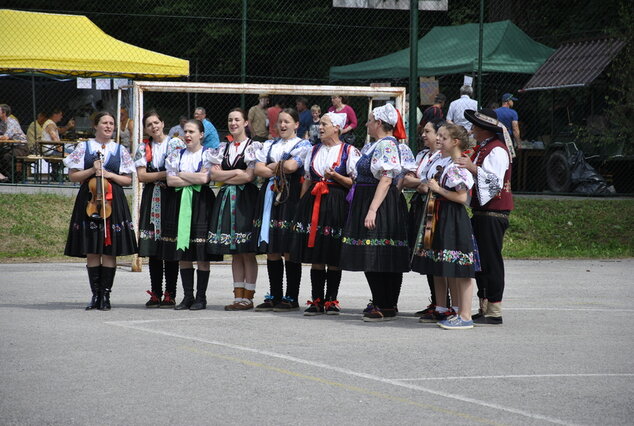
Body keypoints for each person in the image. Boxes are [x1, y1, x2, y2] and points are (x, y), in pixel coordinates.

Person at [339, 103, 409, 322]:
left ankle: (383, 302)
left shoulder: (386, 145)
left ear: (379, 123)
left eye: (369, 120)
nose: (367, 123)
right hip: (370, 199)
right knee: (373, 251)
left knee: (377, 251)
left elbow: (387, 178)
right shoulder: (375, 145)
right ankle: (384, 301)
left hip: (377, 201)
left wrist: (372, 209)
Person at [63, 111, 138, 311]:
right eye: (104, 123)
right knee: (92, 249)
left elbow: (127, 180)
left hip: (114, 203)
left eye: (111, 123)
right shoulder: (84, 147)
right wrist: (92, 170)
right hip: (89, 201)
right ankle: (95, 295)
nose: (108, 126)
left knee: (109, 249)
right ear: (95, 125)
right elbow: (73, 176)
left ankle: (106, 295)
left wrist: (108, 174)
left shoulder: (120, 149)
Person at [288, 112, 360, 315]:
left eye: (324, 124)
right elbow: (308, 180)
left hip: (337, 202)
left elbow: (354, 183)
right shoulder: (313, 150)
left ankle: (332, 299)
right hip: (315, 202)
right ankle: (317, 299)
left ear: (336, 128)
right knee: (316, 252)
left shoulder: (349, 151)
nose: (320, 128)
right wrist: (301, 208)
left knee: (333, 252)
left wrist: (336, 176)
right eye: (320, 125)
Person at [411, 123, 477, 329]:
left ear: (455, 142)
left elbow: (462, 197)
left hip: (454, 217)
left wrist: (438, 189)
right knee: (450, 265)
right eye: (437, 135)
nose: (438, 139)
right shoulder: (445, 162)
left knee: (461, 267)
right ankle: (456, 311)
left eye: (443, 137)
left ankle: (465, 316)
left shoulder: (458, 165)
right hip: (443, 216)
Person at [455, 109, 514, 325]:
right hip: (481, 212)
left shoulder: (497, 150)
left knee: (491, 261)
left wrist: (472, 168)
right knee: (481, 261)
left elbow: (495, 182)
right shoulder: (483, 148)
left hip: (493, 213)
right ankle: (484, 305)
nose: (471, 131)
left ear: (484, 129)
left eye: (474, 128)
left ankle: (495, 310)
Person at [252, 108, 311, 312]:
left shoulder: (303, 145)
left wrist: (271, 166)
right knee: (272, 248)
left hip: (290, 196)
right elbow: (257, 169)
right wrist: (278, 166)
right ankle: (274, 294)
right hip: (270, 194)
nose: (282, 125)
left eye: (287, 121)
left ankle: (291, 296)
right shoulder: (269, 144)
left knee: (288, 247)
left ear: (296, 124)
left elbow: (293, 167)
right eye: (280, 122)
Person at [164, 119, 222, 310]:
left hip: (202, 203)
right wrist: (192, 177)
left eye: (191, 131)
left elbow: (205, 178)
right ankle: (187, 296)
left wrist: (181, 174)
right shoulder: (176, 154)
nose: (187, 135)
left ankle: (201, 297)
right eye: (185, 132)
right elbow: (170, 181)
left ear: (201, 134)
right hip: (180, 202)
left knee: (201, 253)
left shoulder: (208, 154)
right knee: (184, 252)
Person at [206, 108, 260, 311]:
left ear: (246, 122)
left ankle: (248, 296)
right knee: (235, 251)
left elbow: (249, 177)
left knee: (246, 250)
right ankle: (238, 296)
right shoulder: (223, 147)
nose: (233, 123)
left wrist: (226, 174)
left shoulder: (253, 146)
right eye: (230, 120)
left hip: (246, 200)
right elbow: (213, 175)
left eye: (237, 119)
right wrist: (237, 171)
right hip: (227, 199)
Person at [135, 111, 185, 309]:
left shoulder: (176, 143)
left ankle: (170, 294)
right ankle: (155, 292)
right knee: (154, 247)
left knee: (170, 245)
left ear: (163, 123)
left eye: (156, 122)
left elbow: (179, 169)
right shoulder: (143, 147)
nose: (154, 126)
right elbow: (141, 176)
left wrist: (155, 175)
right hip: (152, 196)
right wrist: (165, 174)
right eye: (149, 124)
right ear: (146, 128)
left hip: (171, 197)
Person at [402, 118, 451, 318]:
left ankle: (444, 303)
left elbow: (427, 183)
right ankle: (436, 301)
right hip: (420, 205)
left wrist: (420, 182)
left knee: (434, 253)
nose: (423, 135)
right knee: (424, 254)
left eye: (428, 132)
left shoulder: (444, 157)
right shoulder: (422, 155)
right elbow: (407, 178)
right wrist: (420, 182)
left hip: (434, 208)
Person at [0, 104, 28, 182]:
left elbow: (5, 137)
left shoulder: (11, 122)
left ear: (4, 113)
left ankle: (14, 177)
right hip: (10, 146)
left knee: (7, 156)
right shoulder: (2, 123)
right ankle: (4, 177)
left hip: (21, 146)